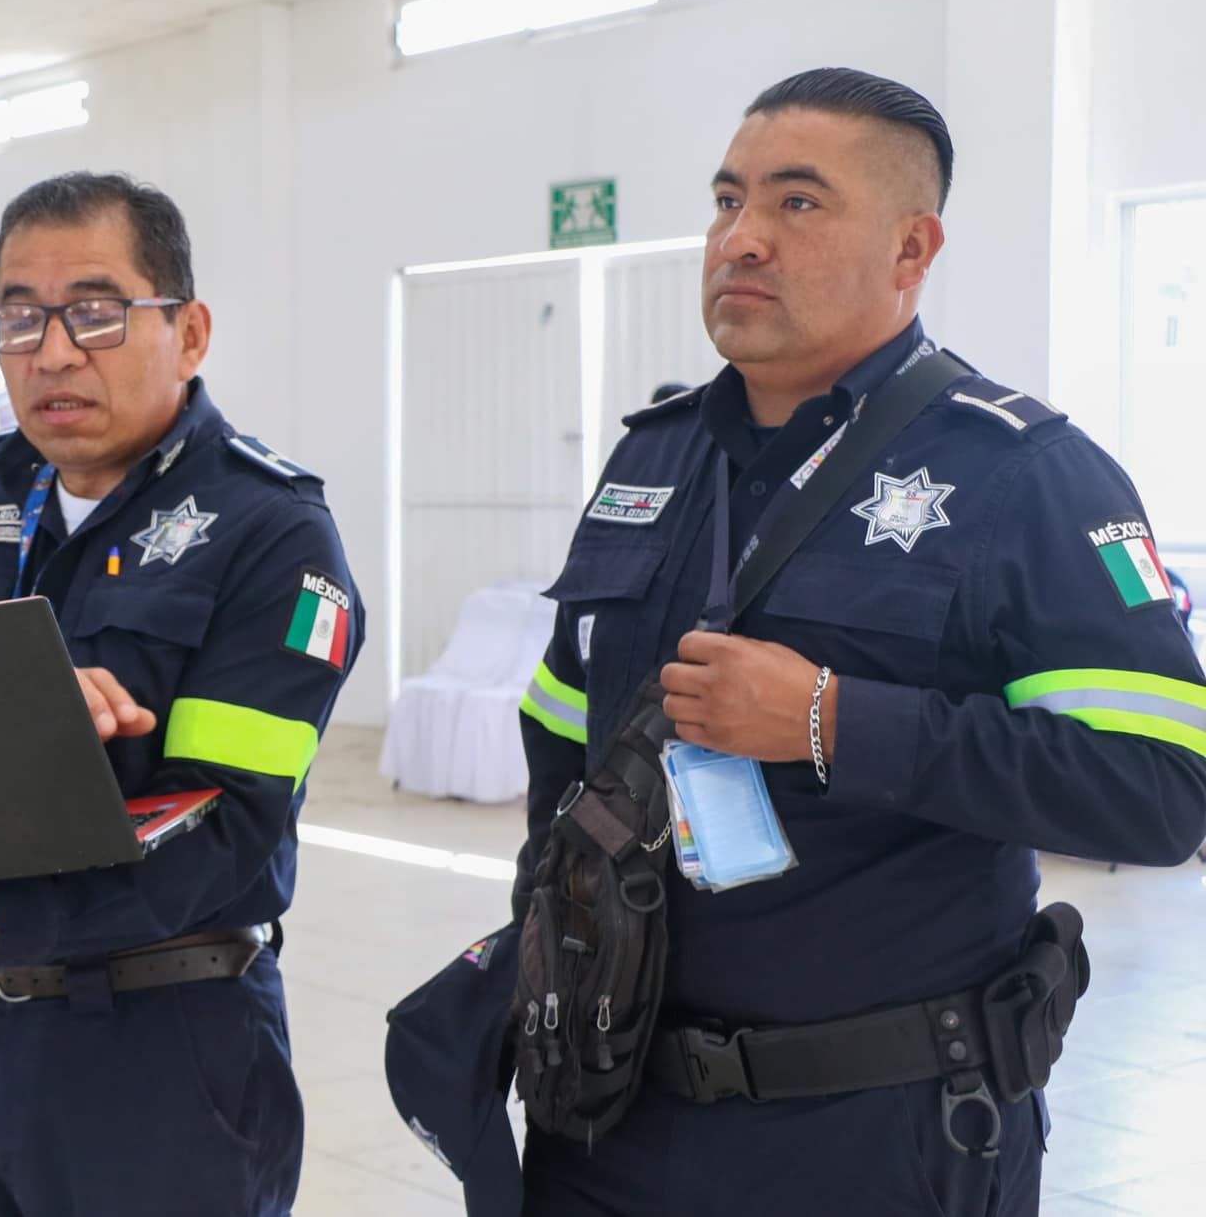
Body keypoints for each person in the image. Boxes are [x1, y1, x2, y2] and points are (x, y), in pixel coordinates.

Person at [508, 69, 1206, 1214]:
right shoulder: (650, 457)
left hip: (874, 1132)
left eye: (795, 204)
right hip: (611, 1110)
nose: (740, 238)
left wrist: (834, 720)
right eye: (725, 200)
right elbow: (558, 734)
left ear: (909, 248)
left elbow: (1161, 790)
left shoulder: (1020, 476)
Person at [0, 171, 364, 1216]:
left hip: (155, 1042)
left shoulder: (270, 532)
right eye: (18, 316)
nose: (50, 350)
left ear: (187, 332)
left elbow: (226, 817)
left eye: (94, 312)